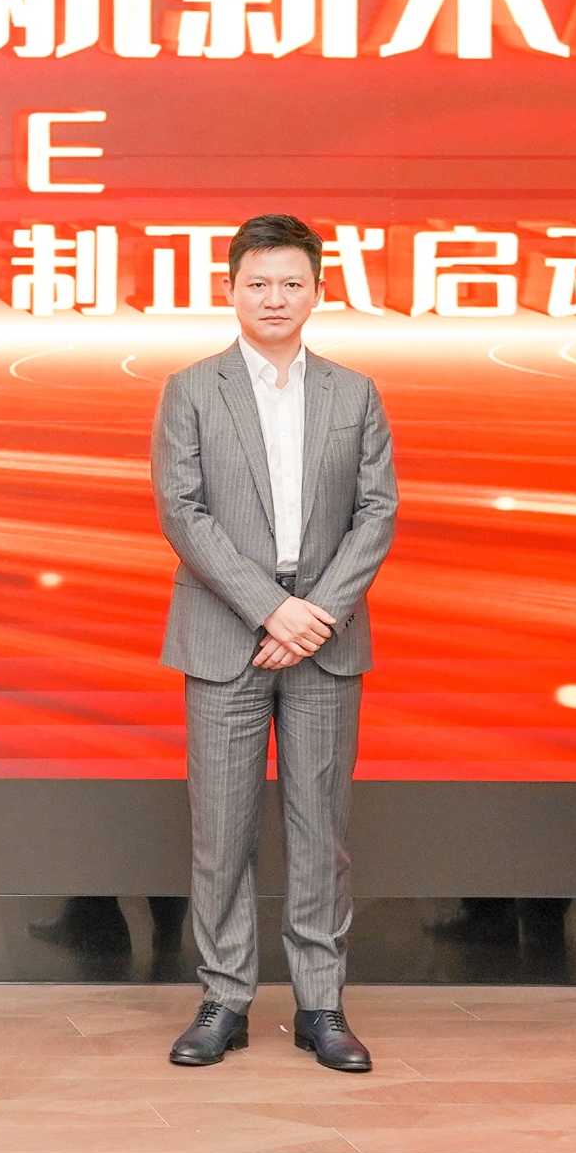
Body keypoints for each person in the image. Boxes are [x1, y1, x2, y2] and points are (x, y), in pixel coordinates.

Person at [150, 215, 401, 1074]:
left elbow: (377, 512)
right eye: (257, 283)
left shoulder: (354, 393)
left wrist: (314, 612)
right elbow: (183, 512)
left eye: (292, 283)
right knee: (221, 830)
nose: (274, 298)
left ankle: (321, 1004)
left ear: (318, 292)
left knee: (321, 828)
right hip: (227, 633)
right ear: (230, 290)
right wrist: (270, 608)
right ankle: (223, 998)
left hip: (325, 637)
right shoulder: (192, 389)